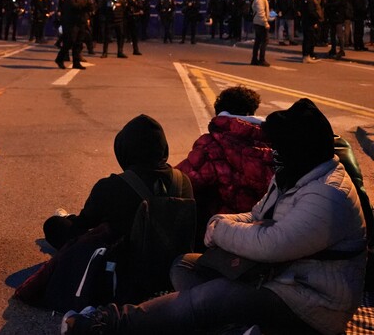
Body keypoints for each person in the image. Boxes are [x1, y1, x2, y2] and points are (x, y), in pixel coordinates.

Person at [62, 99, 367, 335]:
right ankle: (236, 326)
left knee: (209, 298)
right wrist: (222, 222)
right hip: (277, 275)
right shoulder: (295, 174)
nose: (273, 153)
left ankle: (109, 324)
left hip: (310, 302)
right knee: (185, 266)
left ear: (300, 149)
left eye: (280, 148)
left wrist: (219, 229)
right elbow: (257, 214)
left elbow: (272, 244)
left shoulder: (328, 195)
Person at [43, 115, 194, 303]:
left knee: (54, 225)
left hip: (126, 267)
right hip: (171, 264)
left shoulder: (112, 185)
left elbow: (83, 224)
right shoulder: (183, 181)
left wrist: (68, 220)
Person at [174, 86, 273, 248]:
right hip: (263, 230)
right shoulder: (273, 143)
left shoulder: (213, 145)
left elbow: (183, 179)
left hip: (221, 232)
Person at [55, 0, 93, 70]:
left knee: (78, 43)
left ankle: (76, 63)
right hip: (71, 23)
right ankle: (60, 58)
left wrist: (88, 10)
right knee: (69, 42)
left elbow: (90, 6)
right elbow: (74, 6)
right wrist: (85, 7)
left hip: (82, 21)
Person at [250, 0, 271, 66]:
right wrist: (266, 23)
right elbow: (261, 12)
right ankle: (261, 59)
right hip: (260, 23)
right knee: (264, 41)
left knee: (258, 41)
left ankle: (254, 59)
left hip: (258, 22)